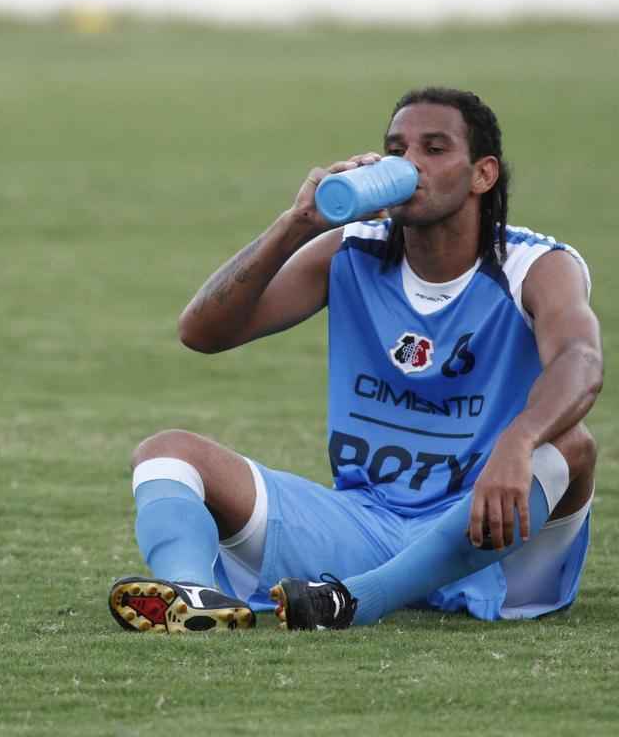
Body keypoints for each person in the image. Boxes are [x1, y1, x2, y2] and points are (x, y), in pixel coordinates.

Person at [108, 87, 601, 633]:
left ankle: (357, 601)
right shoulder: (351, 248)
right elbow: (201, 332)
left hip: (493, 535)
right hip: (368, 523)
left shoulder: (535, 265)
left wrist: (519, 440)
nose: (409, 162)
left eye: (434, 149)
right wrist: (297, 221)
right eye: (397, 148)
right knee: (166, 452)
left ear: (482, 175)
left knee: (570, 447)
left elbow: (581, 361)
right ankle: (193, 594)